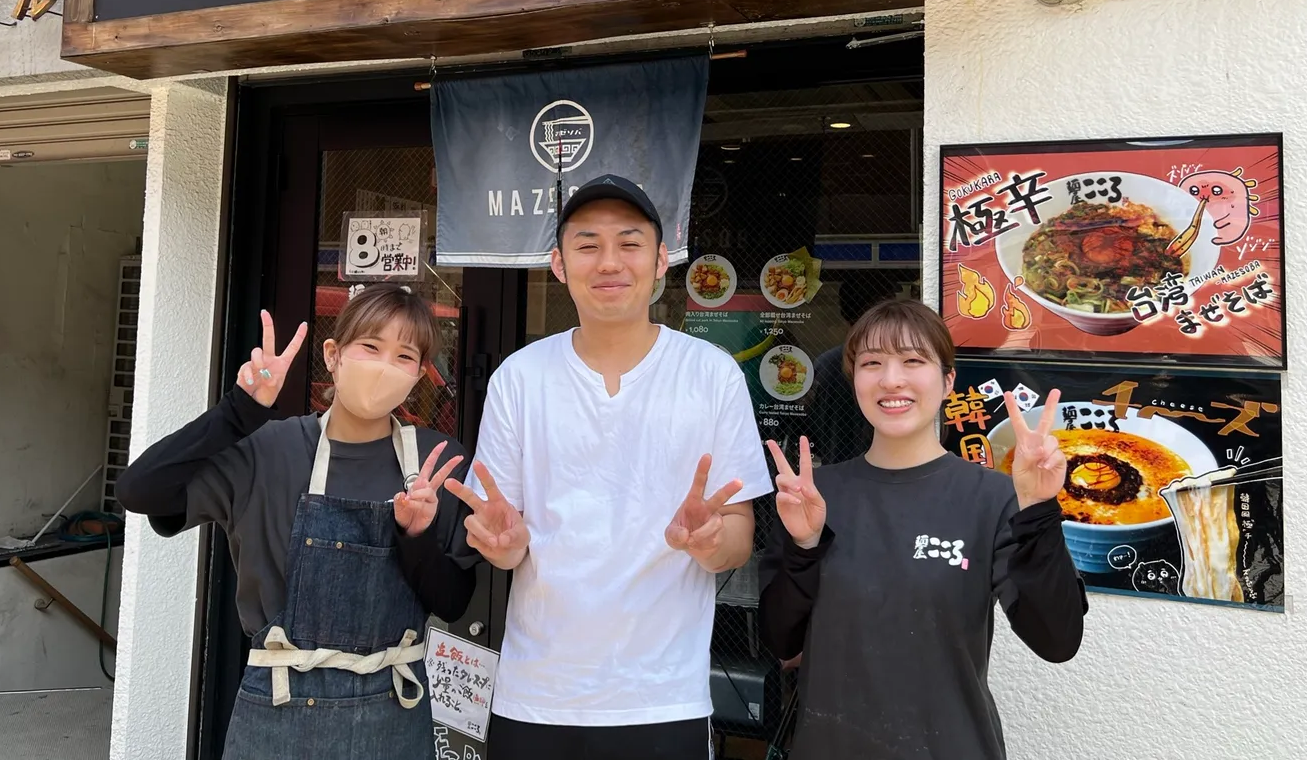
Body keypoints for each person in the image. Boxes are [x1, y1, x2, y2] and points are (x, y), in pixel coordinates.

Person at [444, 174, 774, 760]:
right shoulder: (520, 378)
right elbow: (508, 543)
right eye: (587, 244)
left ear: (661, 260)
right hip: (537, 696)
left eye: (629, 242)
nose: (609, 262)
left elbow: (738, 539)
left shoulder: (711, 374)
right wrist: (503, 544)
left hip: (664, 698)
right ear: (559, 264)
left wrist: (709, 541)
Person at [116, 284, 478, 759]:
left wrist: (417, 536)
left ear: (417, 375)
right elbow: (139, 490)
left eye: (404, 356)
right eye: (370, 347)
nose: (384, 366)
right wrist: (238, 411)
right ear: (333, 355)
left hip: (393, 711)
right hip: (278, 708)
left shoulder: (435, 464)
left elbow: (453, 602)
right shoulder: (268, 450)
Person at [758, 298, 1087, 758]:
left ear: (948, 380)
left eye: (913, 361)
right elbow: (779, 641)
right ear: (854, 379)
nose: (892, 379)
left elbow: (1057, 640)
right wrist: (804, 546)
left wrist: (1037, 510)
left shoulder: (992, 498)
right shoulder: (816, 496)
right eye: (872, 363)